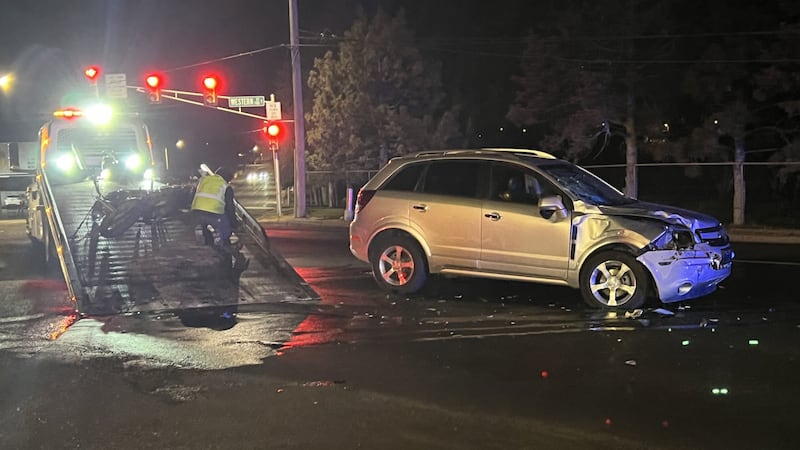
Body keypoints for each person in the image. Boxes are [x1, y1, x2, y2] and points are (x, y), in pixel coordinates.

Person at [191, 166, 248, 271]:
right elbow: (230, 209)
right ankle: (225, 246)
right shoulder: (225, 187)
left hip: (197, 212)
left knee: (205, 226)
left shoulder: (205, 180)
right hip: (214, 214)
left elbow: (194, 193)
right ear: (227, 179)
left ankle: (208, 241)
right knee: (224, 228)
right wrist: (234, 224)